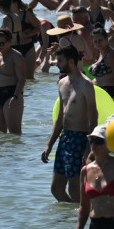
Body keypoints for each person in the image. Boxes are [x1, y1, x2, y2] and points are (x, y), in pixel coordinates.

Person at [42, 45, 97, 202]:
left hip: (80, 139)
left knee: (75, 189)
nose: (56, 63)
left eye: (60, 60)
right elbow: (60, 117)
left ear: (71, 61)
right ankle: (69, 220)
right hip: (65, 138)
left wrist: (88, 148)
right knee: (56, 189)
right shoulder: (62, 83)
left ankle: (82, 218)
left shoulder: (86, 85)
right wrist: (49, 145)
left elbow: (94, 119)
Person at [89, 25, 114, 102]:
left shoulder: (111, 55)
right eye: (95, 41)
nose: (98, 43)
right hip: (98, 92)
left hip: (108, 92)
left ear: (106, 39)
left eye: (100, 40)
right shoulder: (100, 54)